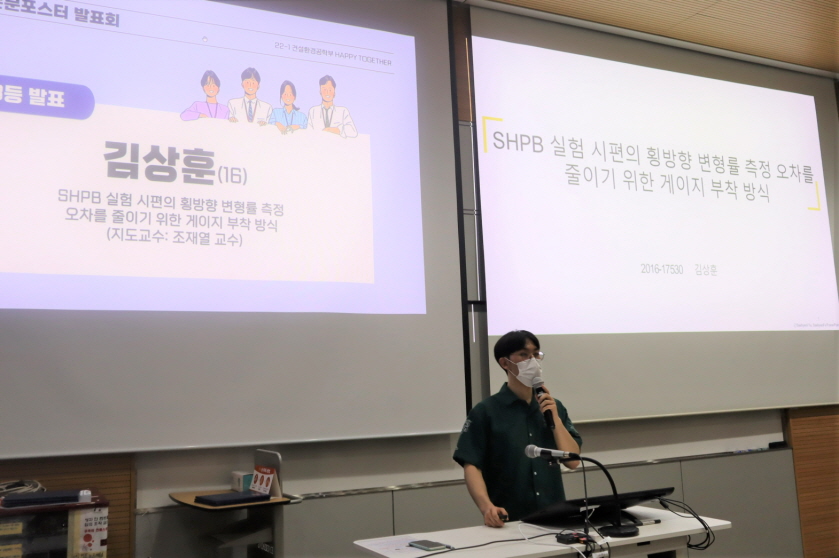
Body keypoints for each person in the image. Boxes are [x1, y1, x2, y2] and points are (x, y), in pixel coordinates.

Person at [453, 330, 582, 527]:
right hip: (509, 517)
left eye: (536, 354)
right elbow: (471, 464)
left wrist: (554, 419)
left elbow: (573, 462)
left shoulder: (554, 407)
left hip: (554, 516)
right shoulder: (486, 411)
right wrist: (486, 507)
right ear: (505, 363)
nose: (533, 361)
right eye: (524, 354)